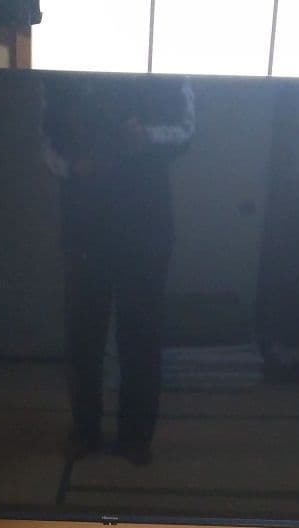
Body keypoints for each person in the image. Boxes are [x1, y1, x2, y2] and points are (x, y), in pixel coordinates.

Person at [42, 74, 195, 465]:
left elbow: (187, 130)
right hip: (84, 222)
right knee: (83, 335)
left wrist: (147, 136)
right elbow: (46, 141)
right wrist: (74, 167)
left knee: (141, 335)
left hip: (146, 223)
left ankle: (136, 438)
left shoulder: (165, 64)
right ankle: (85, 432)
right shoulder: (60, 71)